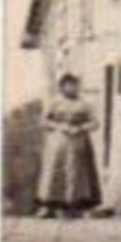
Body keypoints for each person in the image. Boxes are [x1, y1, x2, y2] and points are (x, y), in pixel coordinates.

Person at [35, 73, 101, 218]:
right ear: (62, 87)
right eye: (69, 85)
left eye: (75, 85)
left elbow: (95, 123)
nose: (72, 88)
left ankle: (73, 206)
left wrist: (81, 128)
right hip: (57, 142)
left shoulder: (84, 104)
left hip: (78, 141)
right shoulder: (54, 102)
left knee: (75, 173)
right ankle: (48, 206)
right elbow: (43, 121)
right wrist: (59, 126)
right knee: (54, 172)